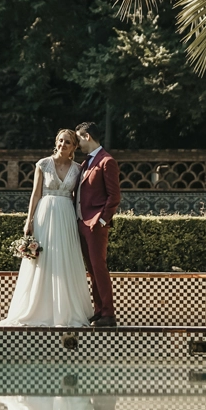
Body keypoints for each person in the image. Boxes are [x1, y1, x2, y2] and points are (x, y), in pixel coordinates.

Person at [0, 129, 94, 327]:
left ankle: (65, 311)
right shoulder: (43, 164)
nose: (62, 144)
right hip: (45, 214)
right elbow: (35, 194)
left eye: (67, 142)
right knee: (43, 260)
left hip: (66, 215)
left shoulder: (78, 169)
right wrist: (29, 220)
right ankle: (38, 309)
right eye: (60, 140)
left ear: (74, 147)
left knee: (64, 259)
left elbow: (79, 198)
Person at [75, 122, 121, 327]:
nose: (77, 144)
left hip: (95, 225)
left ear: (86, 137)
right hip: (82, 223)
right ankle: (99, 310)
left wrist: (101, 220)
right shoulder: (86, 163)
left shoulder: (106, 161)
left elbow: (114, 196)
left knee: (99, 268)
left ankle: (108, 314)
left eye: (78, 139)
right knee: (92, 270)